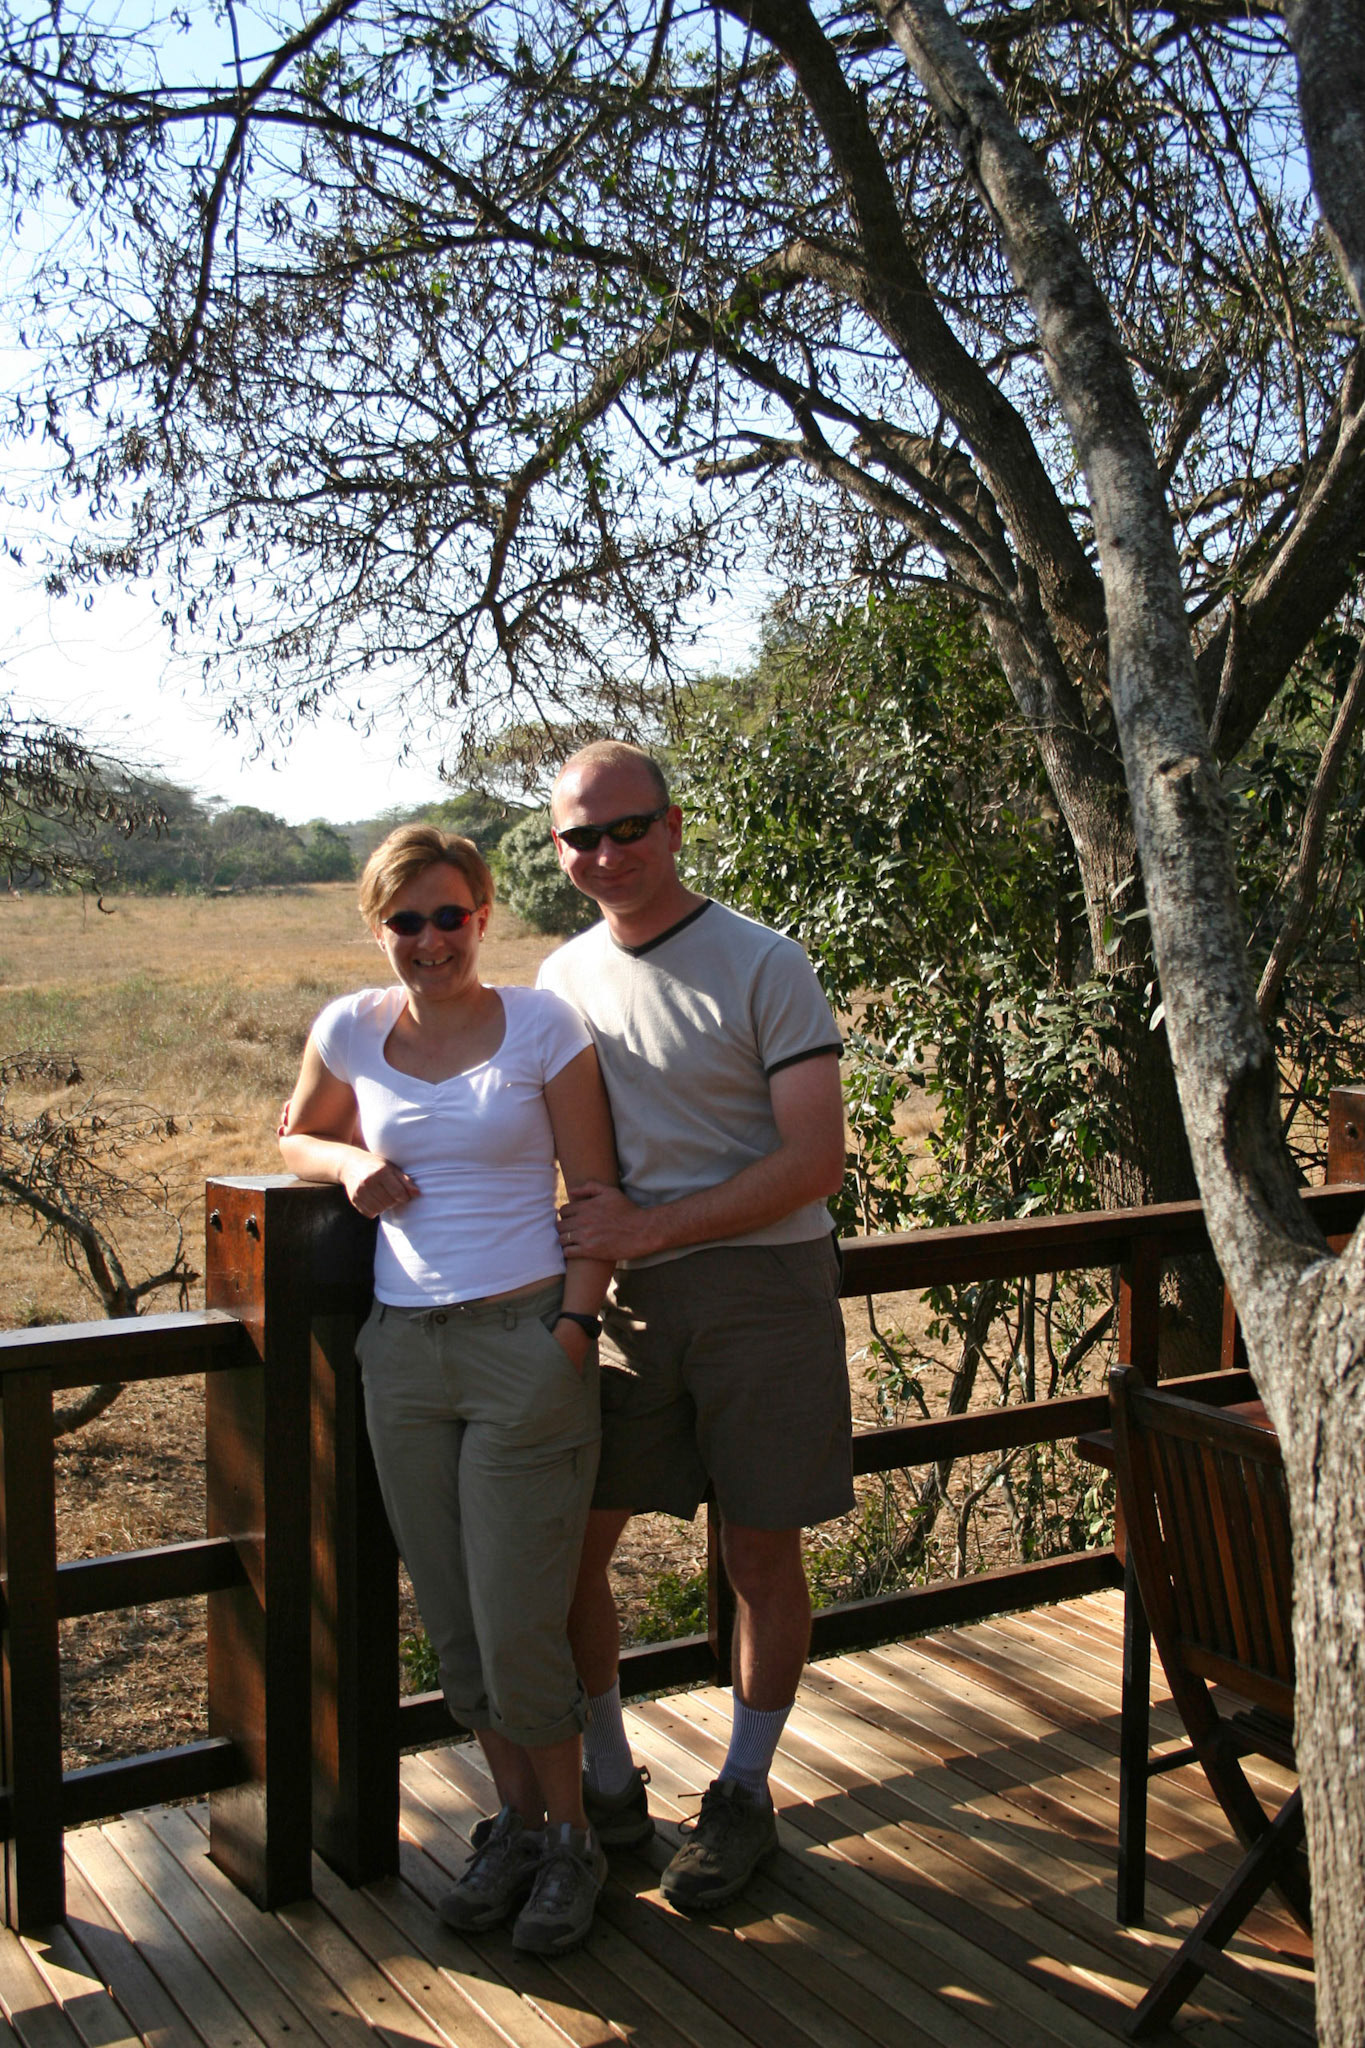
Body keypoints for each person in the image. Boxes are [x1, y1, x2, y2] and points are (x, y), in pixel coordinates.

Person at [279, 824, 618, 1955]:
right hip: (405, 1354)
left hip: (524, 1341)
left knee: (522, 1616)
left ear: (484, 913)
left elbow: (597, 1189)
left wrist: (574, 1324)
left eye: (449, 914)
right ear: (379, 927)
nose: (430, 940)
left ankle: (571, 1839)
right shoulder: (350, 1028)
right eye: (405, 920)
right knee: (460, 1622)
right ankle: (517, 1825)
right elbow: (295, 1135)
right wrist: (348, 1165)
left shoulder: (541, 1024)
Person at [537, 742, 853, 1911]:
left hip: (764, 1292)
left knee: (761, 1551)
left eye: (628, 828)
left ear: (675, 827)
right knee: (572, 1544)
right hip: (622, 1302)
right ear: (558, 845)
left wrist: (650, 1231)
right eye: (581, 836)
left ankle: (743, 1793)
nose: (606, 854)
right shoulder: (560, 978)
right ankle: (612, 1781)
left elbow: (813, 1158)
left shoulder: (766, 962)